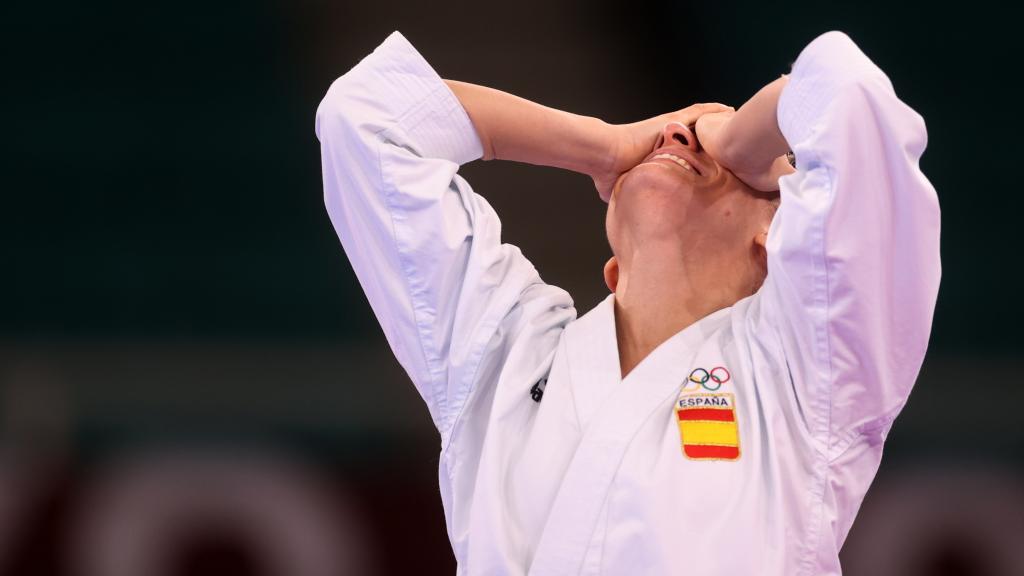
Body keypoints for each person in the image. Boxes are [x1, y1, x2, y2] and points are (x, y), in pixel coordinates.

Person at [315, 29, 940, 576]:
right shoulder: (506, 353)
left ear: (776, 242)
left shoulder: (809, 378)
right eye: (682, 132)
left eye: (741, 158)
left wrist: (733, 139)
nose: (679, 133)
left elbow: (848, 93)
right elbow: (366, 118)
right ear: (613, 266)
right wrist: (605, 146)